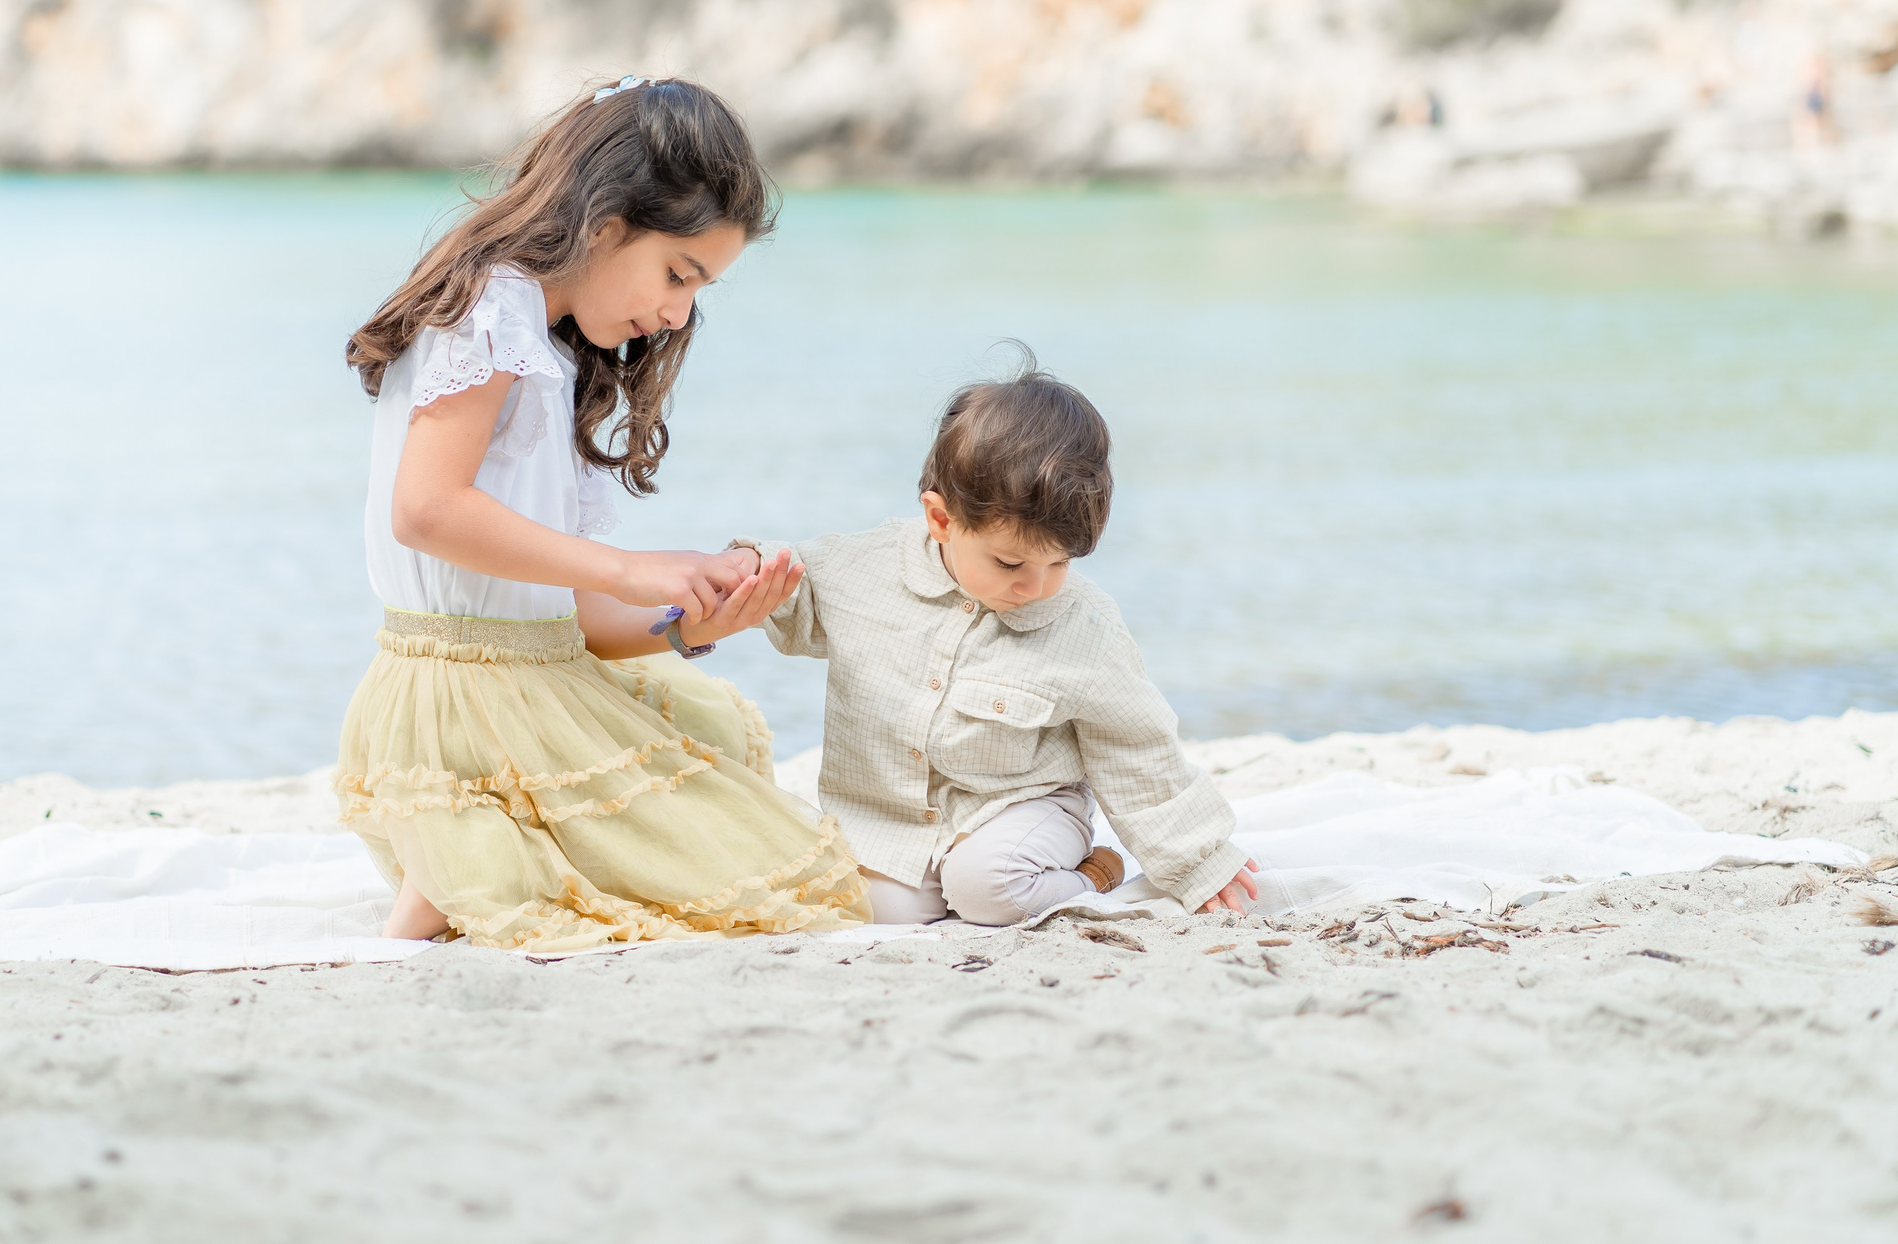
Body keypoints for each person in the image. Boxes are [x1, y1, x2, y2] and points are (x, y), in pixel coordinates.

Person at [335, 76, 871, 950]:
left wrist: (692, 618)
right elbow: (426, 510)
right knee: (796, 879)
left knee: (721, 753)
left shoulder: (544, 344)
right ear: (606, 223)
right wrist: (632, 564)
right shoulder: (490, 305)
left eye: (698, 289)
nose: (676, 312)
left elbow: (561, 617)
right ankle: (472, 844)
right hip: (456, 706)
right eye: (677, 272)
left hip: (525, 680)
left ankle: (481, 854)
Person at [689, 353, 1258, 925]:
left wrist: (1199, 859)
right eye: (1010, 562)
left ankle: (1094, 870)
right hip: (893, 820)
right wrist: (740, 571)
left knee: (987, 886)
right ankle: (948, 889)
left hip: (1022, 807)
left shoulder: (1083, 625)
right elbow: (791, 589)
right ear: (942, 521)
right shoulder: (864, 570)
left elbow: (1136, 748)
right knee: (868, 907)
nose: (1035, 586)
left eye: (1058, 563)